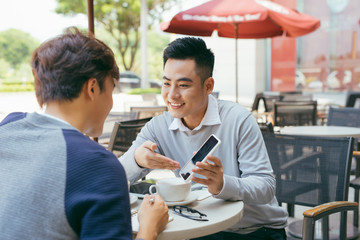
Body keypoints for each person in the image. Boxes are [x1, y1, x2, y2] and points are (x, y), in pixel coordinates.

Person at [0, 27, 169, 240]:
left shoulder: (8, 127)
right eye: (111, 88)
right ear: (92, 88)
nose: (111, 101)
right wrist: (149, 228)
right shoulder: (99, 165)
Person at [119, 37, 288, 240]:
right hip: (200, 227)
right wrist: (137, 159)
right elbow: (114, 177)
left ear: (208, 86)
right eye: (166, 83)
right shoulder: (158, 127)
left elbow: (266, 187)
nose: (172, 95)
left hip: (255, 231)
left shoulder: (237, 119)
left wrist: (222, 184)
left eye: (183, 85)